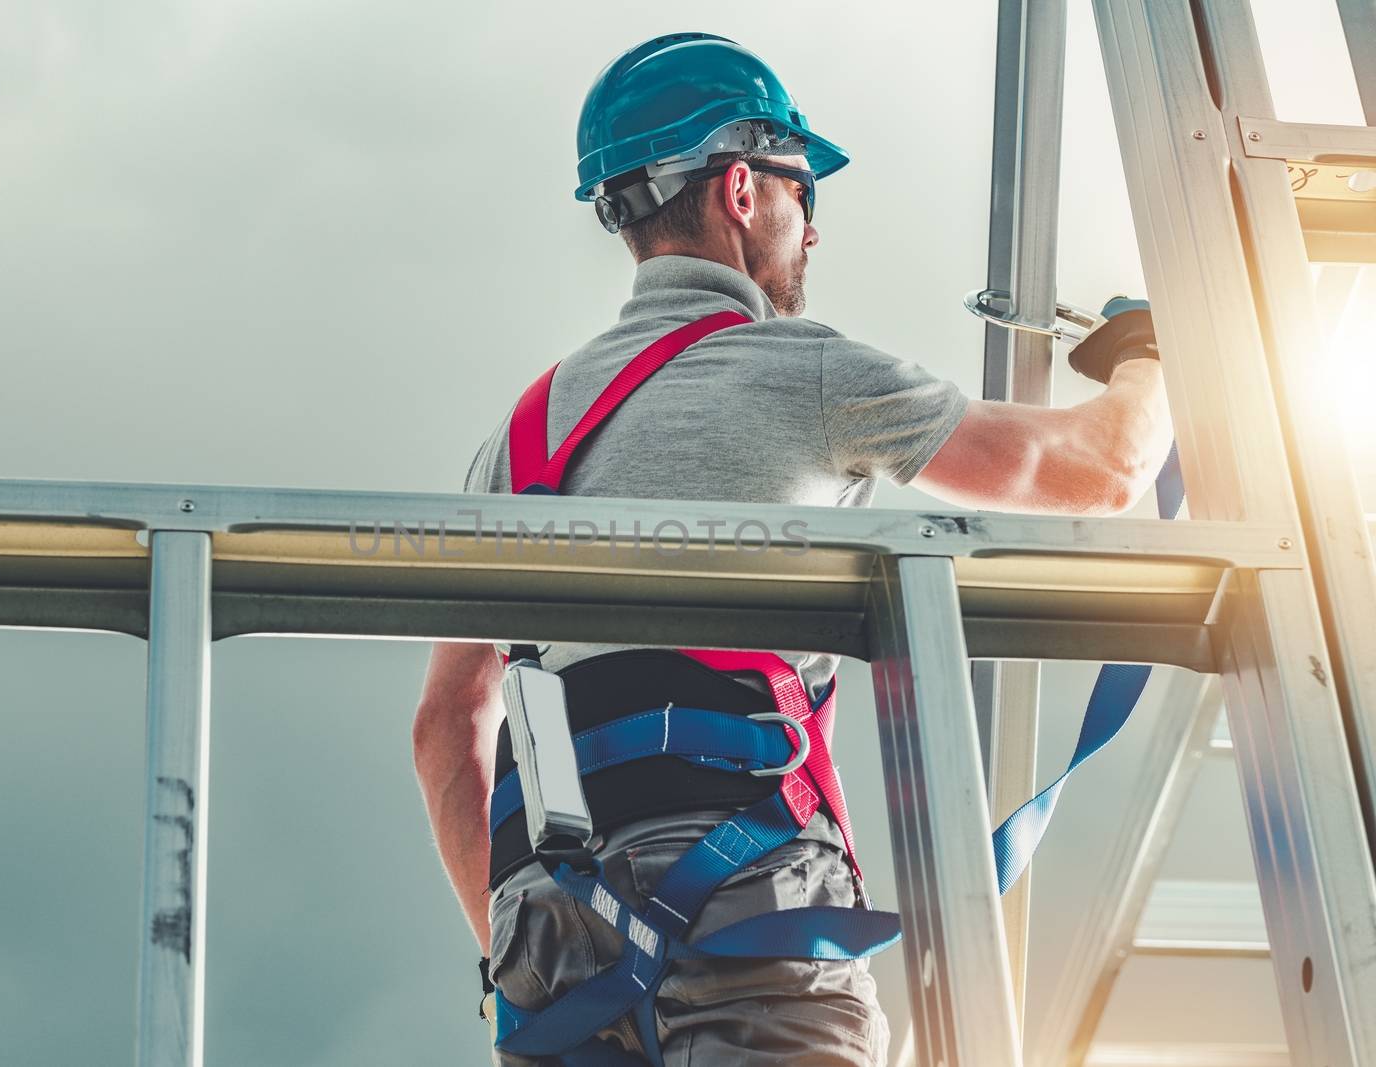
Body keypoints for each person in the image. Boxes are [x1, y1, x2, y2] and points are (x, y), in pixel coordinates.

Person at [411, 32, 1173, 1067]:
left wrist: (519, 943)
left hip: (552, 947)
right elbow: (1098, 473)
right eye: (802, 192)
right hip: (747, 907)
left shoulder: (522, 437)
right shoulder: (805, 372)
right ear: (740, 189)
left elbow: (448, 720)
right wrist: (1151, 359)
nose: (810, 227)